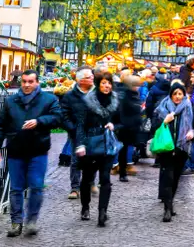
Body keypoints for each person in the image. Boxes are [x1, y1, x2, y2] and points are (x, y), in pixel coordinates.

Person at [0, 69, 61, 238]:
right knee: (16, 189)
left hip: (38, 151)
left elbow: (58, 118)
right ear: (21, 82)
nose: (27, 85)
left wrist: (39, 121)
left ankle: (31, 221)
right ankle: (16, 222)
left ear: (37, 82)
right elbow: (0, 126)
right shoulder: (11, 101)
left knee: (36, 186)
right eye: (24, 82)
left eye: (31, 81)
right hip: (16, 151)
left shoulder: (48, 99)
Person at [75, 71, 120, 227]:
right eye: (103, 83)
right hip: (90, 144)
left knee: (105, 178)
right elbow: (80, 125)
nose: (107, 86)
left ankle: (102, 212)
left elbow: (121, 122)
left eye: (109, 83)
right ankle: (85, 206)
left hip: (107, 146)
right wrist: (80, 144)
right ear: (98, 84)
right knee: (87, 178)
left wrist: (115, 126)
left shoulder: (115, 102)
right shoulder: (87, 102)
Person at [153, 80, 194, 222]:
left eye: (180, 94)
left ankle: (170, 204)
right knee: (168, 178)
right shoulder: (162, 107)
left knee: (176, 178)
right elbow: (153, 126)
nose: (177, 96)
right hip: (166, 148)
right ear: (170, 95)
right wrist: (164, 121)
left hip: (181, 149)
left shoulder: (189, 107)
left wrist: (193, 132)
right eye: (175, 94)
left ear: (184, 95)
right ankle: (167, 208)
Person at [61, 68, 95, 199]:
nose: (92, 79)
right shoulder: (70, 96)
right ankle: (75, 188)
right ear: (80, 80)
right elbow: (64, 114)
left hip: (93, 132)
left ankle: (90, 182)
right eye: (88, 77)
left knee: (92, 159)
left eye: (92, 76)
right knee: (76, 161)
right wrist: (72, 128)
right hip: (77, 132)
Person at [116, 74, 143, 182]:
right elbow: (121, 111)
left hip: (132, 126)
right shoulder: (123, 95)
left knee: (126, 148)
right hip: (125, 127)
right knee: (123, 149)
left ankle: (124, 169)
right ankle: (122, 171)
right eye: (136, 85)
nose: (138, 87)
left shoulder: (133, 93)